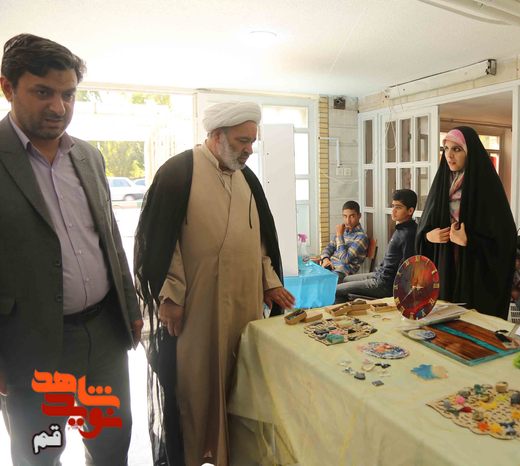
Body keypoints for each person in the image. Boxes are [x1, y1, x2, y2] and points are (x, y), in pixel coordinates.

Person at [0, 34, 141, 465]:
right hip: (28, 342)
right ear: (7, 87)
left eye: (68, 94)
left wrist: (130, 306)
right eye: (43, 92)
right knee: (40, 452)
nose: (59, 107)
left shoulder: (89, 157)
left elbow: (109, 239)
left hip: (104, 333)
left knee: (112, 443)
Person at [134, 101, 295, 466]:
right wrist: (170, 297)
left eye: (252, 141)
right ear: (217, 135)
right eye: (242, 141)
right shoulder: (180, 172)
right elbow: (160, 243)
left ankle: (234, 456)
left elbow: (261, 242)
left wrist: (269, 282)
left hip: (243, 305)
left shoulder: (247, 179)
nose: (249, 149)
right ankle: (197, 455)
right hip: (198, 309)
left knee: (239, 382)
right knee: (197, 388)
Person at [416, 126, 516, 319]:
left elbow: (506, 240)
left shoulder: (488, 188)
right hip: (444, 268)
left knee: (472, 327)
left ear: (470, 152)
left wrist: (470, 240)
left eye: (457, 149)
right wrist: (429, 236)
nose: (449, 155)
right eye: (446, 149)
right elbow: (424, 227)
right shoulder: (441, 185)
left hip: (474, 274)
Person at [335, 189, 418, 303]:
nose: (393, 211)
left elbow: (407, 267)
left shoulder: (408, 233)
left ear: (410, 211)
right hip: (379, 275)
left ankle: (348, 312)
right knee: (345, 279)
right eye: (393, 206)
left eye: (398, 207)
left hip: (384, 284)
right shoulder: (401, 229)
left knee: (336, 290)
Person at [319, 200, 369, 282]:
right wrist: (325, 259)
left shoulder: (361, 237)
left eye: (352, 216)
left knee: (320, 282)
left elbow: (345, 260)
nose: (347, 221)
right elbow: (329, 248)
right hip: (330, 267)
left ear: (359, 216)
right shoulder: (343, 231)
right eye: (345, 216)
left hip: (342, 273)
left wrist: (339, 235)